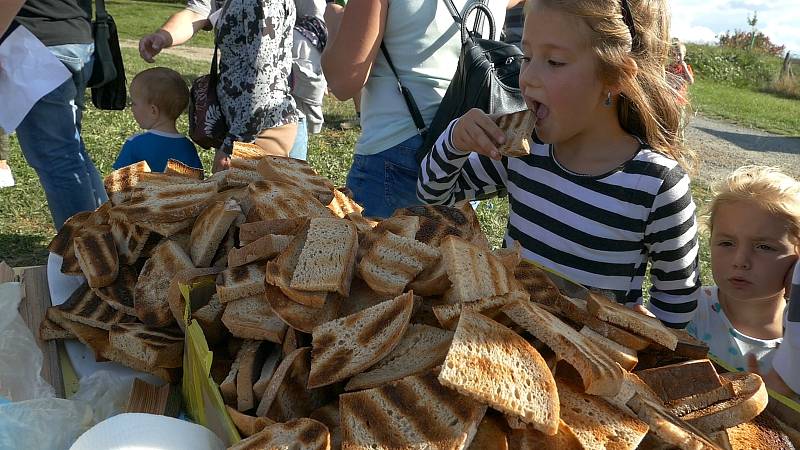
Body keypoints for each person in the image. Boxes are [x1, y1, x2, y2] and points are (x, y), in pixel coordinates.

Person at [417, 0, 700, 327]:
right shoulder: (525, 150)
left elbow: (677, 303)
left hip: (586, 365)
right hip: (508, 338)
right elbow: (436, 196)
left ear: (615, 77)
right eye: (526, 57)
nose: (528, 77)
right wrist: (455, 140)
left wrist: (642, 343)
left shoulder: (655, 184)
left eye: (554, 61)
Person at [322, 0, 523, 218]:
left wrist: (334, 24)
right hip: (463, 152)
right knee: (446, 249)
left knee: (372, 249)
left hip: (393, 149)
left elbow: (343, 81)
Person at [139, 0, 301, 172]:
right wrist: (163, 36)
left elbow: (264, 77)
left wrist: (234, 146)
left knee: (247, 197)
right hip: (244, 129)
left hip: (260, 130)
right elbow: (197, 11)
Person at [686, 166, 799, 395]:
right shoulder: (687, 309)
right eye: (727, 243)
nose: (740, 260)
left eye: (764, 247)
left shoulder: (796, 341)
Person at [13, 0, 108, 230]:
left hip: (38, 43)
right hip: (72, 38)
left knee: (58, 158)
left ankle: (86, 254)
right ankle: (107, 242)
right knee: (70, 152)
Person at [113, 68, 201, 172]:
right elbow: (197, 182)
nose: (132, 108)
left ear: (153, 110)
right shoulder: (188, 147)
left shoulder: (135, 144)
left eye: (134, 103)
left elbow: (119, 183)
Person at [667, 38, 694, 103]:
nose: (677, 57)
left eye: (680, 54)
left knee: (680, 113)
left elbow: (691, 81)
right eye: (674, 55)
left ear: (684, 55)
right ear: (670, 55)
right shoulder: (667, 68)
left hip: (680, 100)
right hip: (669, 99)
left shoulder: (686, 68)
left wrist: (685, 68)